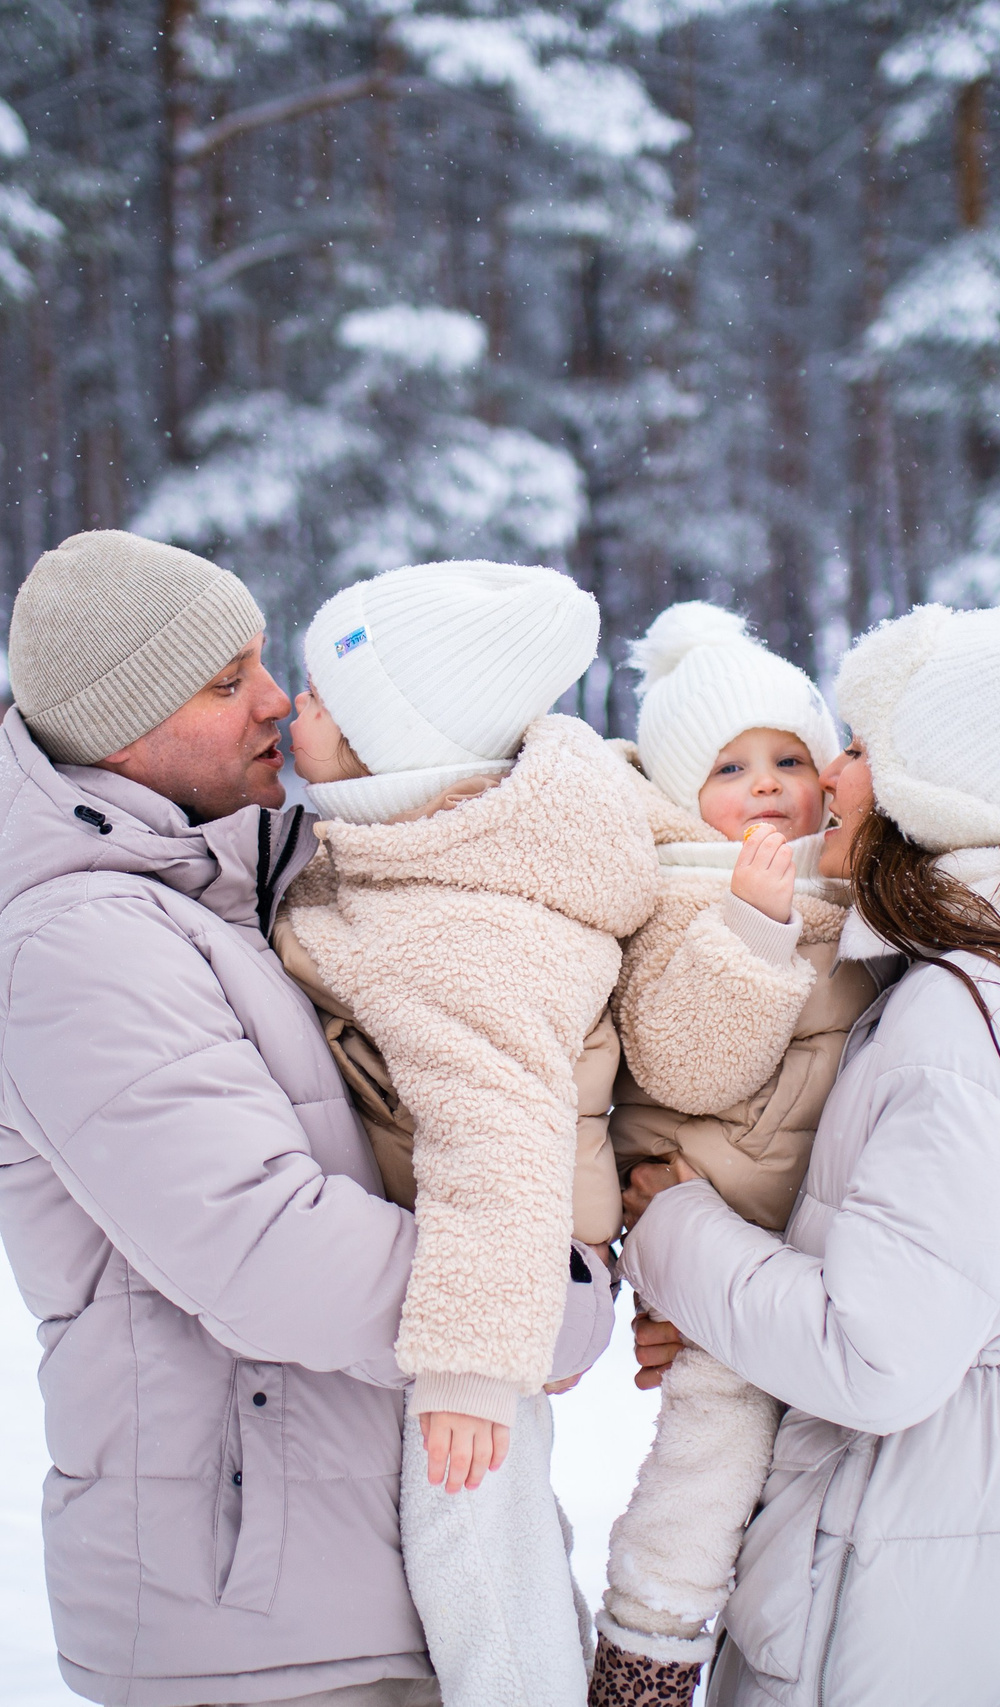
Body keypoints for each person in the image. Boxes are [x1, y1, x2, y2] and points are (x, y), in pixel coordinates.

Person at [0, 531, 616, 1707]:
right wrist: (535, 1295)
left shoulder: (249, 894)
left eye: (264, 662)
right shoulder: (85, 949)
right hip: (261, 1635)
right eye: (226, 684)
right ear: (124, 731)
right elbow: (270, 1253)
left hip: (356, 1590)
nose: (275, 702)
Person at [620, 603, 1000, 1706]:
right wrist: (729, 1310)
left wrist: (674, 1231)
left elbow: (876, 1357)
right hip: (981, 1503)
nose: (831, 777)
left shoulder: (963, 1014)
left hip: (904, 1534)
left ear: (929, 790)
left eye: (856, 748)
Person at [274, 561, 659, 1707]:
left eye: (312, 699)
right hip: (477, 1274)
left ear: (388, 744)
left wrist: (470, 1373)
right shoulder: (437, 854)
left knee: (473, 1551)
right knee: (502, 1540)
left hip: (486, 1296)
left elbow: (497, 1150)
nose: (288, 714)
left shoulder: (463, 926)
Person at [585, 603, 880, 1705]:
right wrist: (747, 930)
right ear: (675, 797)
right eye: (728, 766)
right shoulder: (683, 896)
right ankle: (646, 1651)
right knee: (709, 1456)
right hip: (723, 1228)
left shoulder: (853, 888)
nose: (766, 785)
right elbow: (688, 1067)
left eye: (790, 758)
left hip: (797, 1253)